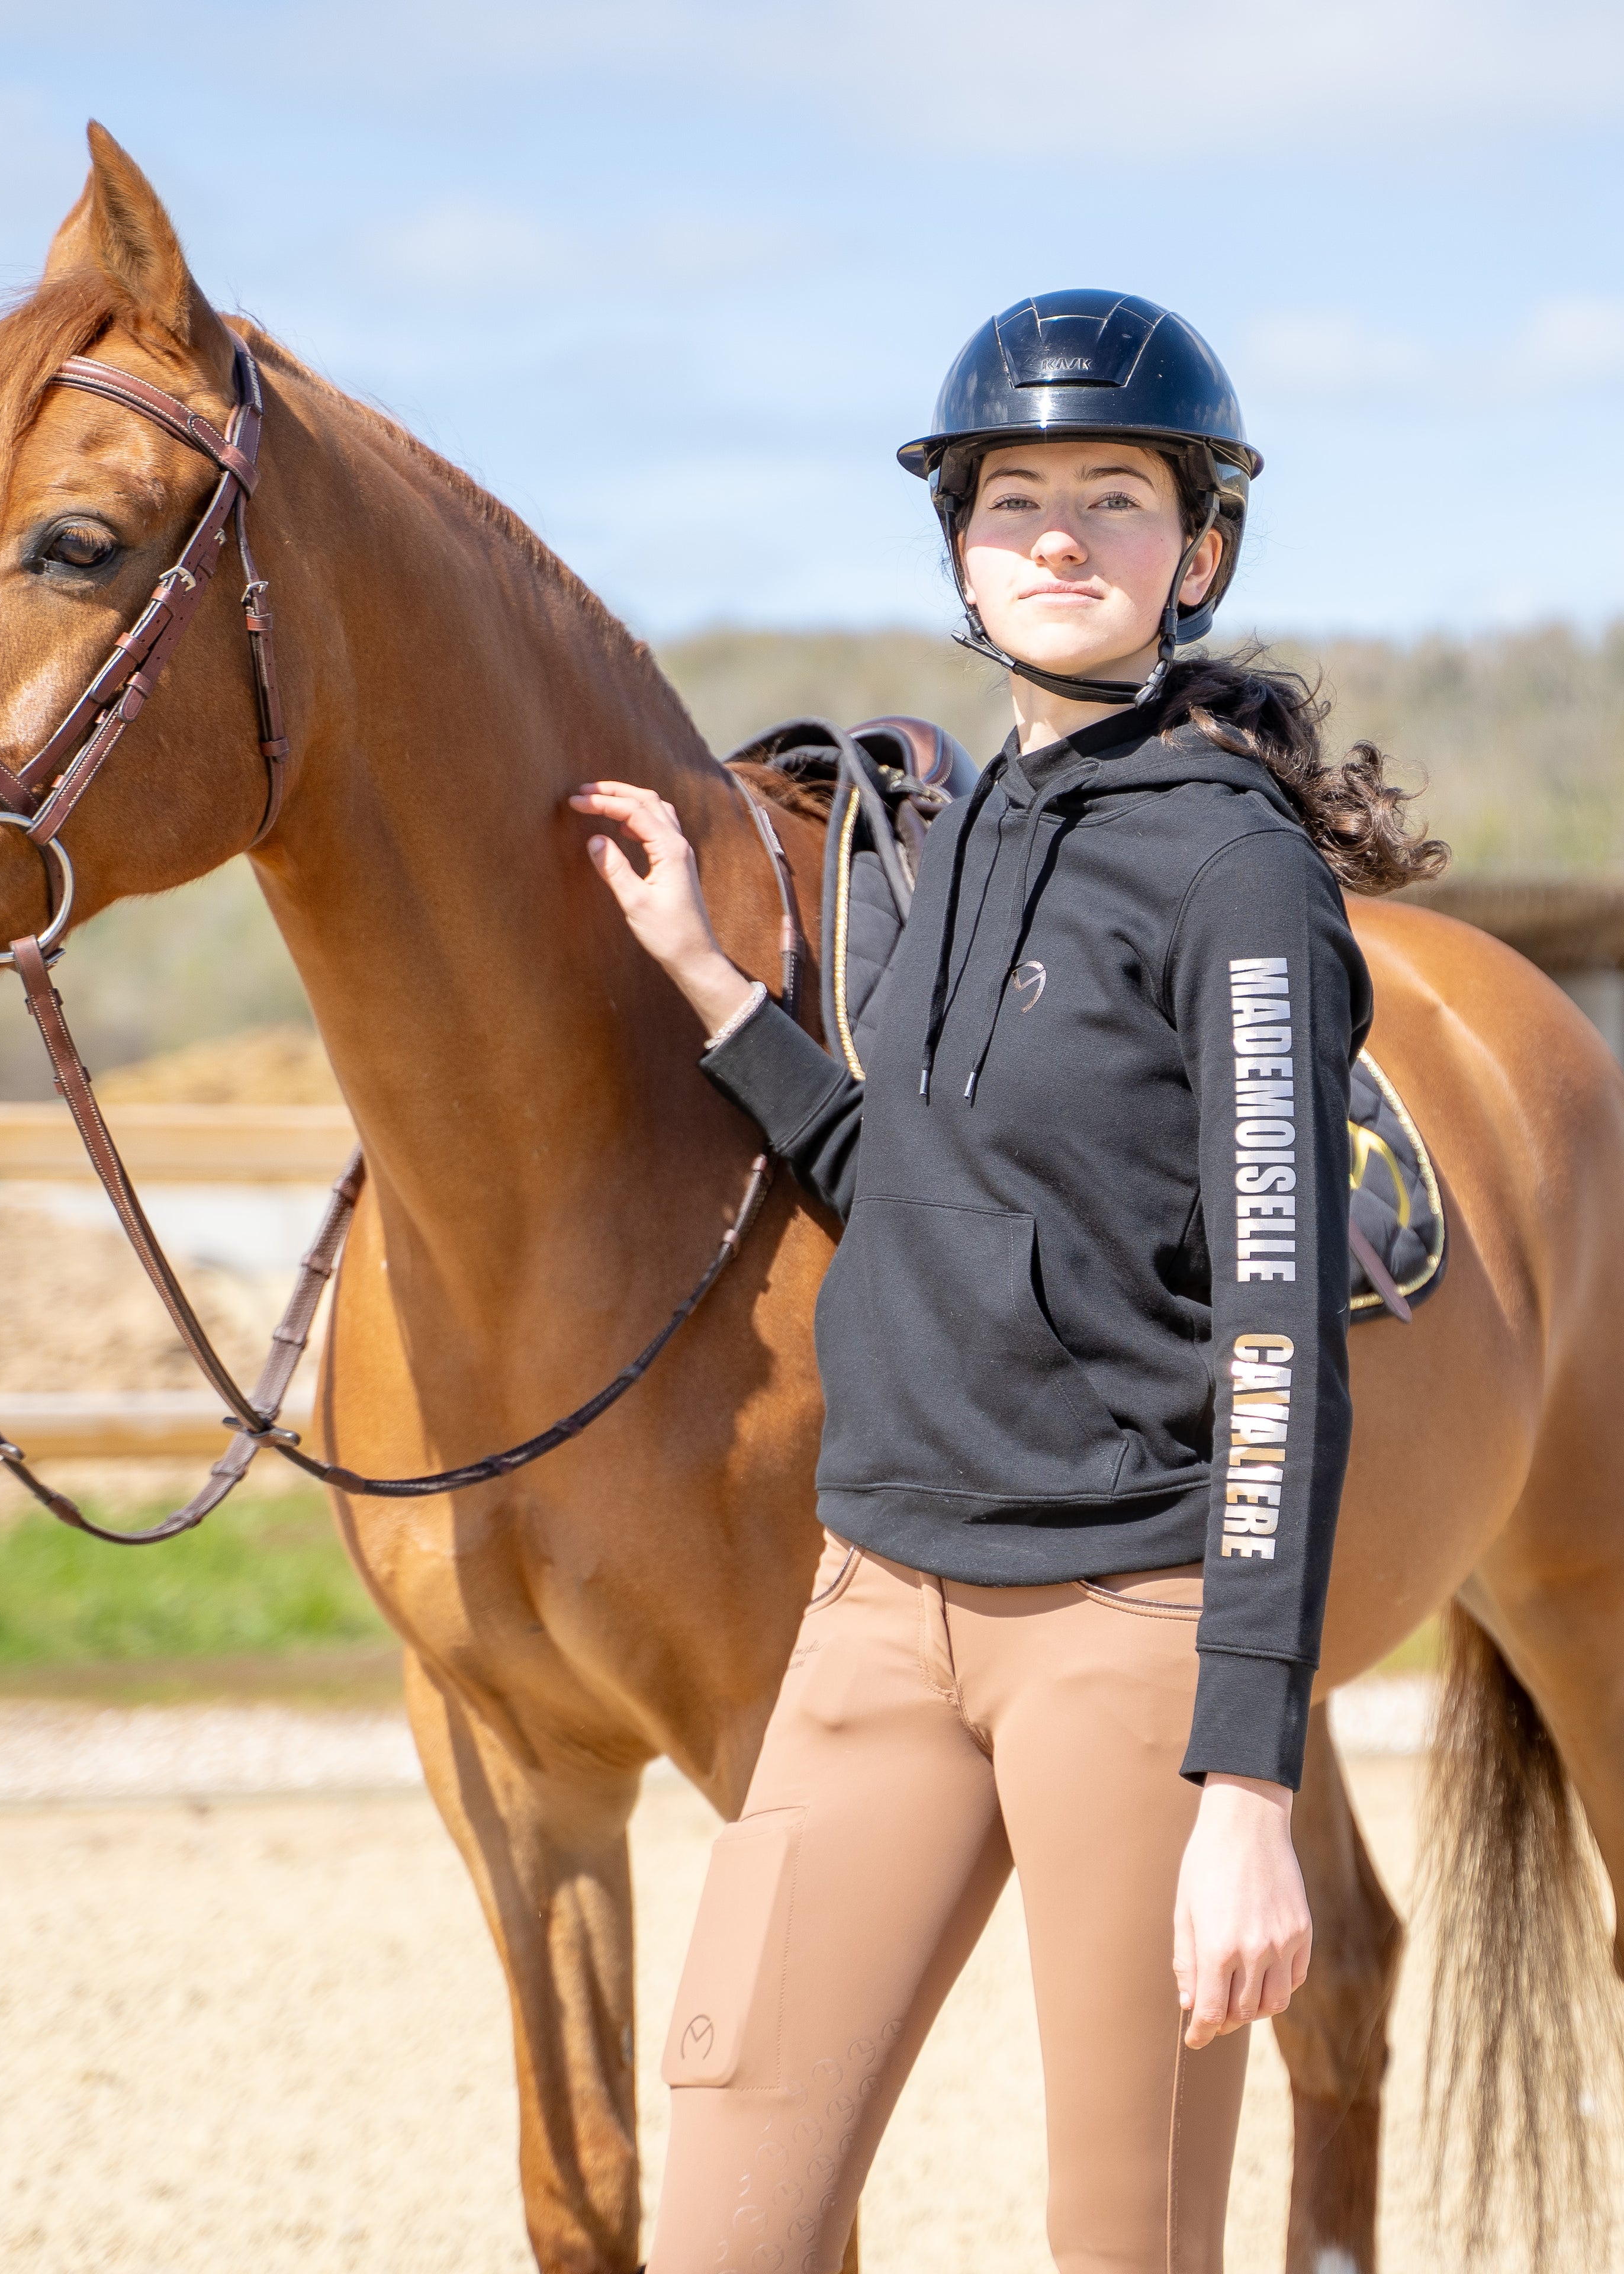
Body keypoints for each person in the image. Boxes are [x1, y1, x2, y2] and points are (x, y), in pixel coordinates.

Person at [571, 288, 1443, 2274]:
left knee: (1124, 2248)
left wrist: (1248, 1780)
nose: (1058, 535)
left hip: (1126, 1643)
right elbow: (928, 1192)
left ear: (1198, 550)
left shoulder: (1237, 874)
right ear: (958, 548)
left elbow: (1281, 1341)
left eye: (1112, 498)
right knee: (724, 2230)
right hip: (873, 1622)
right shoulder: (961, 840)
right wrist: (718, 991)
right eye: (1013, 497)